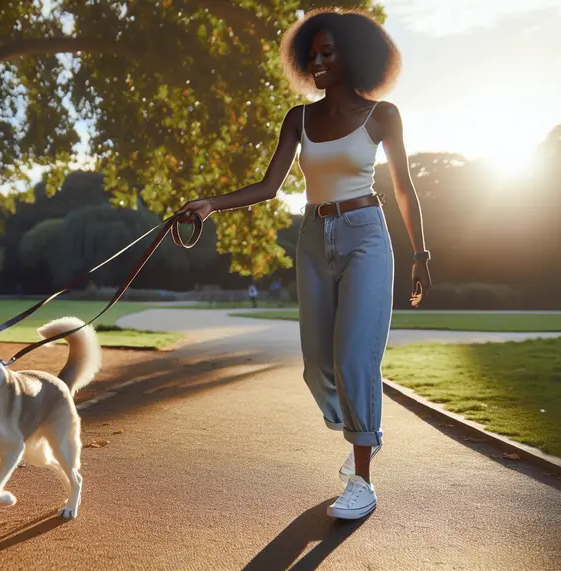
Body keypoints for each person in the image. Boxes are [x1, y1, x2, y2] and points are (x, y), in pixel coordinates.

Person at [177, 9, 431, 520]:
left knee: (356, 360)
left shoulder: (383, 115)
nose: (316, 62)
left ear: (352, 57)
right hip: (313, 237)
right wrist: (209, 204)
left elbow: (404, 188)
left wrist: (421, 254)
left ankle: (362, 477)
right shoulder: (299, 118)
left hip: (366, 237)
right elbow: (269, 187)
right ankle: (365, 430)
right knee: (318, 366)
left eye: (327, 53)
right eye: (311, 54)